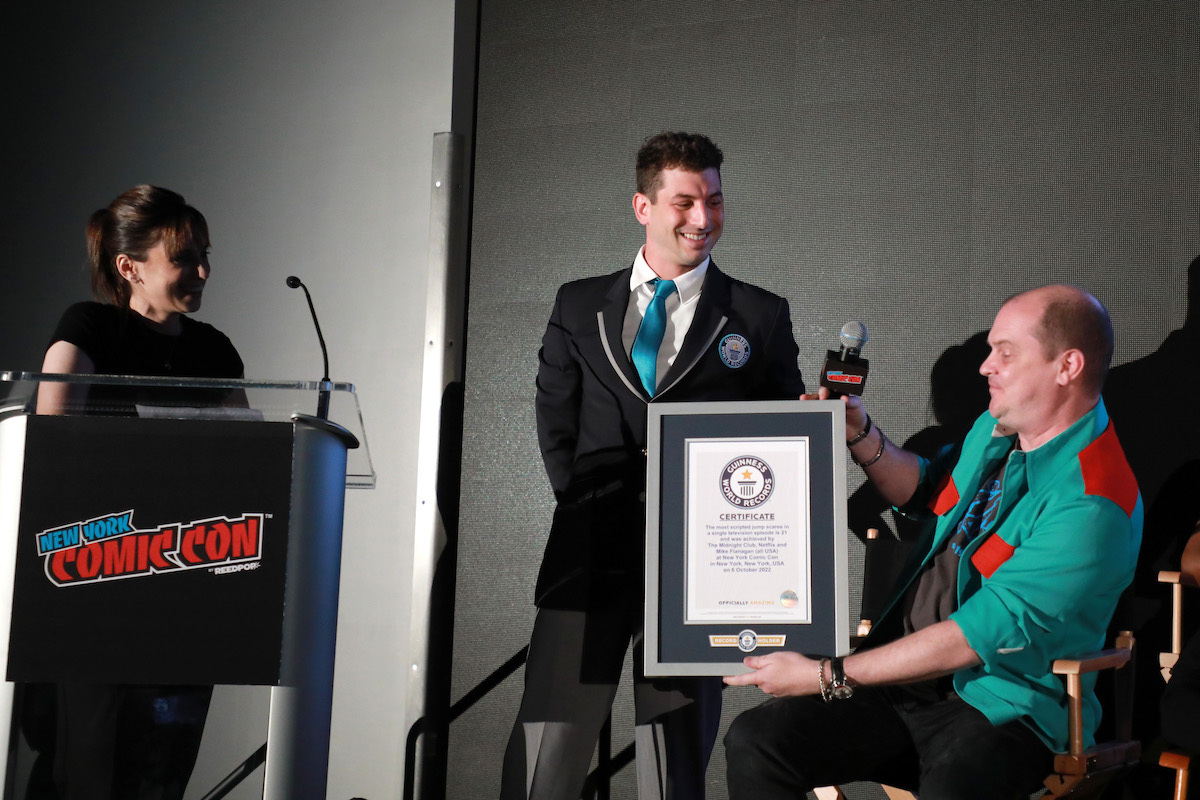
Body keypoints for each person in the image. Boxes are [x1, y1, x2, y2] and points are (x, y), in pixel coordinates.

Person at [724, 285, 1142, 800]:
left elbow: (975, 635)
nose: (986, 367)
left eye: (1005, 353)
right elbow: (927, 492)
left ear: (1067, 366)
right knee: (757, 740)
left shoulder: (1094, 504)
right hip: (906, 689)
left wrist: (828, 675)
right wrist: (859, 433)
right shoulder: (994, 428)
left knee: (954, 785)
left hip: (1001, 707)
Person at [500, 132, 805, 799]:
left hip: (701, 576)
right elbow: (559, 425)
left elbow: (782, 446)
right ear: (643, 205)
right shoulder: (578, 305)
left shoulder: (758, 315)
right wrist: (594, 510)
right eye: (686, 201)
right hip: (587, 557)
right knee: (546, 750)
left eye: (715, 201)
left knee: (674, 761)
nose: (703, 218)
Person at [30, 185, 243, 800]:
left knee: (162, 770)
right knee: (89, 771)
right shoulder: (89, 328)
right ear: (129, 267)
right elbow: (55, 447)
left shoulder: (214, 349)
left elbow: (253, 462)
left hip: (189, 581)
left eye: (206, 254)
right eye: (184, 257)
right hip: (96, 575)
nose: (202, 271)